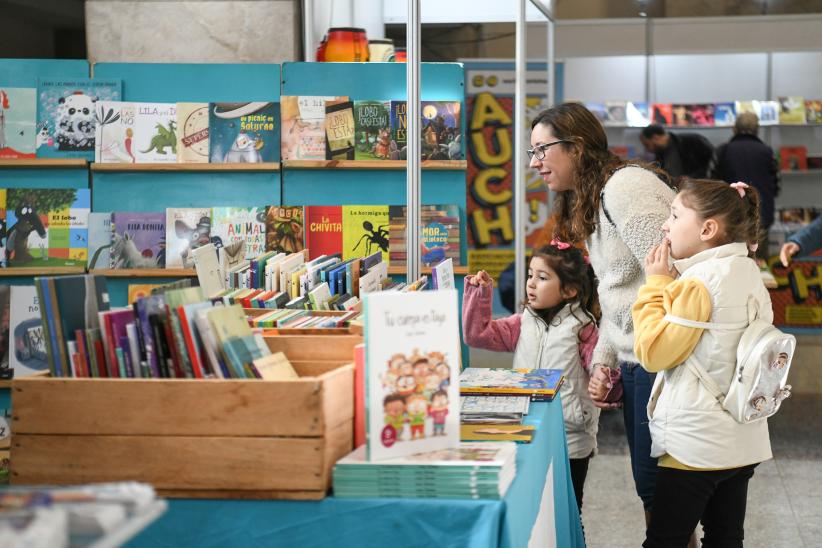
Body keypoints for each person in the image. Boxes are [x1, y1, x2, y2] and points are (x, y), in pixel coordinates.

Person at [529, 102, 674, 528]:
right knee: (655, 496)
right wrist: (606, 362)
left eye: (542, 150)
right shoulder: (594, 198)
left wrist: (644, 356)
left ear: (574, 146)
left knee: (665, 502)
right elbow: (619, 292)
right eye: (531, 152)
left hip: (662, 363)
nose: (535, 163)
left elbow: (674, 273)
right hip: (639, 362)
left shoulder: (625, 189)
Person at [632, 179, 772, 547]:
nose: (665, 224)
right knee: (726, 537)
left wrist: (655, 285)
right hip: (741, 437)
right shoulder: (747, 270)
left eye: (675, 215)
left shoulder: (700, 283)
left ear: (708, 229)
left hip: (696, 445)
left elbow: (652, 352)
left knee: (665, 539)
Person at [462, 243, 604, 516]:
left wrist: (605, 380)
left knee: (568, 511)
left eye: (542, 278)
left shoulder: (583, 327)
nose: (531, 284)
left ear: (569, 290)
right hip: (524, 429)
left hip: (570, 439)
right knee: (533, 513)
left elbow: (600, 367)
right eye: (530, 275)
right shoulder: (522, 322)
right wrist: (479, 294)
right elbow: (477, 335)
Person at [713, 112, 779, 258]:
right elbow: (776, 185)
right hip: (761, 213)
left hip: (731, 214)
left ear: (734, 129)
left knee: (731, 258)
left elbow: (714, 184)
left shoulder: (723, 151)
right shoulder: (767, 151)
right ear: (757, 130)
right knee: (758, 261)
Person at [640, 124, 715, 180]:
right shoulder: (659, 154)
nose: (648, 149)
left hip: (702, 188)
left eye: (647, 144)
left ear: (656, 138)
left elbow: (714, 161)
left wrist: (693, 177)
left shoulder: (692, 140)